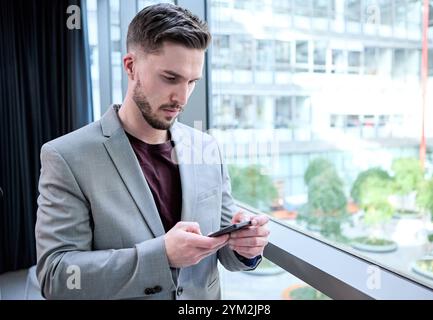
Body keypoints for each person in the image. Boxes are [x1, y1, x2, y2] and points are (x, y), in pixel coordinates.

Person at [35, 3, 270, 300]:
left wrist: (244, 248)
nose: (181, 98)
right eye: (170, 78)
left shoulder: (207, 147)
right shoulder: (67, 157)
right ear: (131, 66)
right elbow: (56, 277)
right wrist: (161, 257)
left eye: (192, 82)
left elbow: (222, 252)